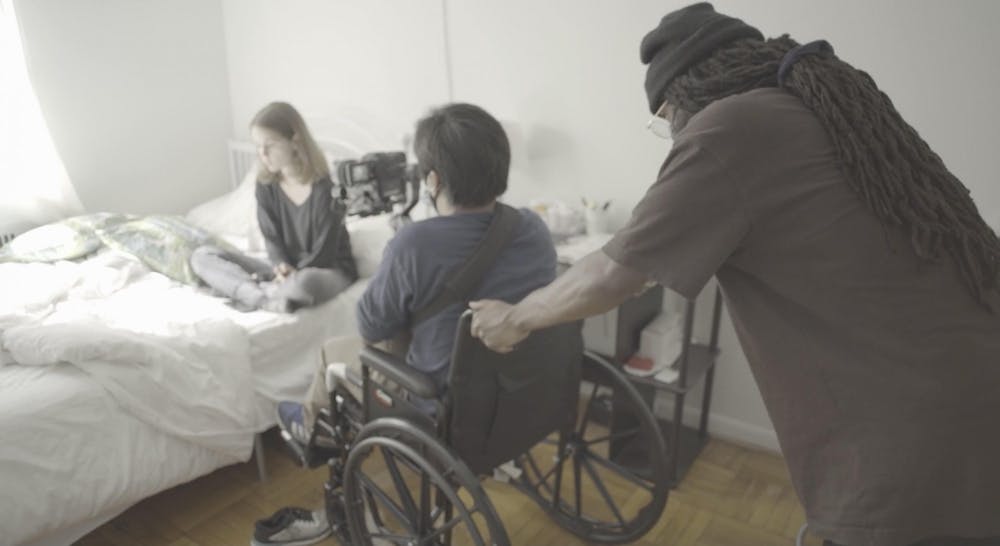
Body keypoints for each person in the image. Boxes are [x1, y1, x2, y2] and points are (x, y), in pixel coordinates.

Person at [469, 4, 1000, 546]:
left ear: (675, 101)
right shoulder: (814, 107)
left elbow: (610, 275)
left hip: (916, 435)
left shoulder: (729, 129)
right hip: (971, 381)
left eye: (664, 122)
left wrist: (515, 318)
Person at [252, 103, 557, 546]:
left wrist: (397, 253)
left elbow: (371, 327)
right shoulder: (532, 227)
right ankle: (315, 425)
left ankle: (311, 430)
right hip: (524, 390)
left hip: (442, 405)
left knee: (332, 353)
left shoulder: (414, 243)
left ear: (432, 181)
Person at [191, 101, 358, 313]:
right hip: (283, 270)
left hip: (325, 269)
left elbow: (324, 253)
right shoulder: (265, 186)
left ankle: (248, 290)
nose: (263, 153)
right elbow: (272, 240)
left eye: (270, 145)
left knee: (304, 283)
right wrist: (280, 266)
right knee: (202, 256)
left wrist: (289, 274)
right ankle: (263, 299)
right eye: (258, 146)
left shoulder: (326, 189)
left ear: (295, 141)